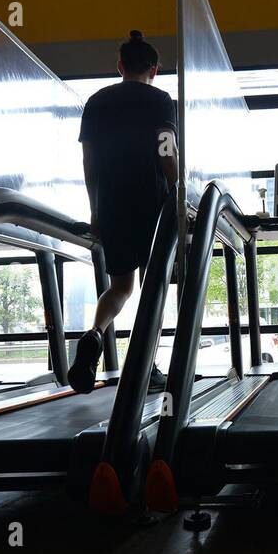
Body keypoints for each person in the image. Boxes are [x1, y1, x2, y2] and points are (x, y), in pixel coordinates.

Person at [68, 30, 178, 395]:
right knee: (153, 288)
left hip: (112, 203)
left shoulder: (97, 101)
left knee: (120, 287)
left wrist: (95, 208)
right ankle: (147, 365)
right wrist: (176, 192)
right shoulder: (160, 100)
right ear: (154, 69)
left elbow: (87, 160)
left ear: (120, 66)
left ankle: (95, 333)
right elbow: (165, 149)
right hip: (151, 204)